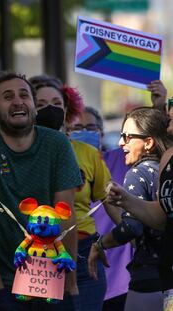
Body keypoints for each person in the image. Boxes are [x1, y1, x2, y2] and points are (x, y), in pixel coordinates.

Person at [0, 71, 83, 310]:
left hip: (52, 278)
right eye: (7, 96)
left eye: (24, 95)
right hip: (3, 282)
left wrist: (71, 279)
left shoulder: (57, 144)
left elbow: (66, 214)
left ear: (34, 107)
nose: (18, 101)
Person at [30, 76, 110, 311]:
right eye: (42, 104)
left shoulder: (86, 153)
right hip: (40, 253)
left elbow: (111, 199)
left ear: (67, 110)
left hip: (86, 254)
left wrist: (133, 236)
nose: (50, 109)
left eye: (56, 103)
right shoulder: (20, 153)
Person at [89, 107, 172, 311]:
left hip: (148, 280)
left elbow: (132, 228)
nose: (120, 143)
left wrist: (99, 245)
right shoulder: (164, 170)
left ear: (148, 143)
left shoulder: (137, 173)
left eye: (126, 137)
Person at [70, 106, 132, 311]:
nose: (85, 132)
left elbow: (151, 144)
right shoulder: (60, 165)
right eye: (77, 127)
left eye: (91, 127)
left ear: (102, 133)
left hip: (119, 277)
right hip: (77, 264)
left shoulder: (120, 160)